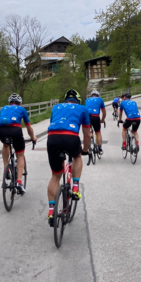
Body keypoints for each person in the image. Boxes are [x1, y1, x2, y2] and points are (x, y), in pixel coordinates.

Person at [46, 89, 90, 226]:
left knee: (56, 175)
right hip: (71, 138)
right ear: (78, 101)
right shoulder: (82, 109)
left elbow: (53, 124)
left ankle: (51, 212)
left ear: (66, 100)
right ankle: (75, 188)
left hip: (52, 138)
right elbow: (87, 134)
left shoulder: (56, 107)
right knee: (77, 157)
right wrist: (85, 150)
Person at [0, 93, 37, 195]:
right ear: (20, 103)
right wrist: (33, 137)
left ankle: (6, 168)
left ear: (9, 103)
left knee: (5, 145)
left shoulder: (3, 108)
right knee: (20, 155)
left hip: (1, 131)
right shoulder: (22, 109)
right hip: (15, 131)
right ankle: (19, 182)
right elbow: (28, 128)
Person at [85, 89, 106, 154]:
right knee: (98, 132)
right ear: (98, 95)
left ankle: (86, 148)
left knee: (87, 133)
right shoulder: (100, 99)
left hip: (87, 117)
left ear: (91, 95)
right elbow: (104, 112)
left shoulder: (87, 100)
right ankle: (100, 148)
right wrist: (102, 119)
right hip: (95, 117)